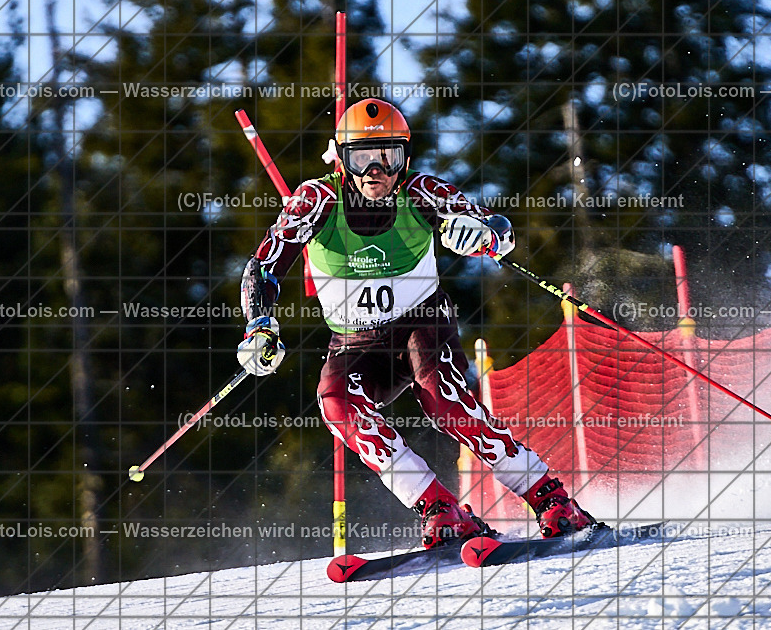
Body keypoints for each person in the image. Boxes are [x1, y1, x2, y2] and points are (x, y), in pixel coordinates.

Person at [236, 98, 594, 548]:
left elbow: (498, 230)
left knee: (445, 403)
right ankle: (439, 507)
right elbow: (264, 267)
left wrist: (483, 235)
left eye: (389, 156)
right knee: (336, 406)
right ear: (342, 160)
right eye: (362, 158)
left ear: (404, 157)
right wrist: (259, 324)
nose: (376, 171)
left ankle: (552, 499)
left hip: (421, 323)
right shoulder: (317, 201)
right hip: (355, 341)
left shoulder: (421, 192)